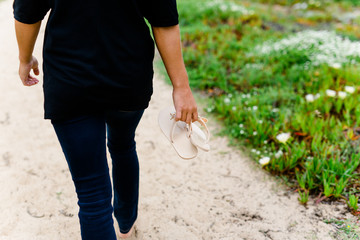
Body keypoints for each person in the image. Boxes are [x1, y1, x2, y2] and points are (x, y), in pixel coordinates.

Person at [13, 0, 198, 239]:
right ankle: (126, 226)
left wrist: (24, 58)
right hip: (127, 76)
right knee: (122, 145)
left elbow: (27, 13)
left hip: (70, 80)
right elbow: (164, 21)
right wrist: (181, 87)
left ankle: (123, 225)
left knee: (92, 195)